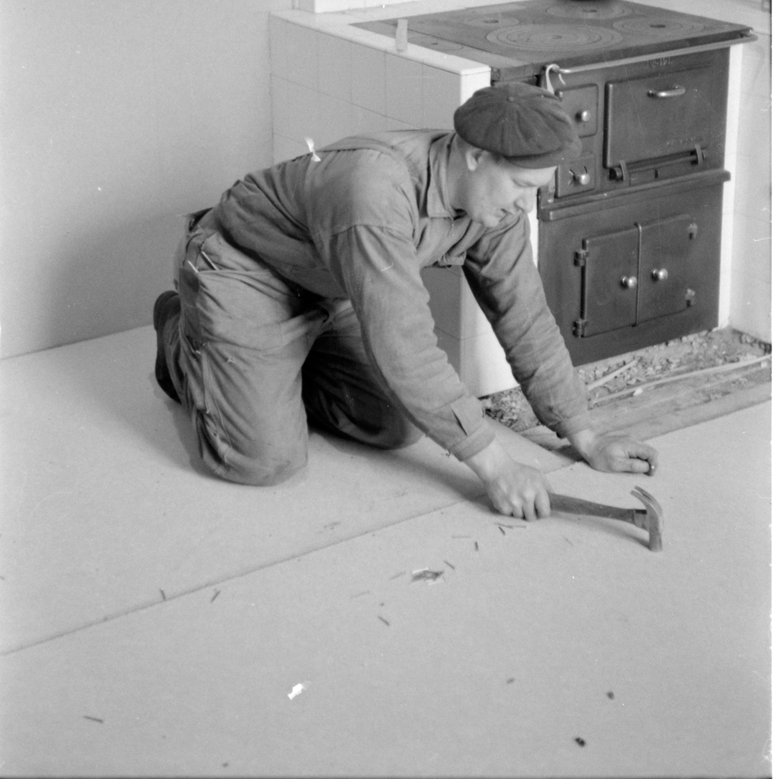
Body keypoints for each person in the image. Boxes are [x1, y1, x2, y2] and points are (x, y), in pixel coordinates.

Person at [153, 81, 657, 520]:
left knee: (394, 426)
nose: (528, 205)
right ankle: (181, 335)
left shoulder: (496, 207)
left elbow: (524, 315)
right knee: (263, 462)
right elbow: (404, 345)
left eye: (538, 190)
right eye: (523, 186)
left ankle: (271, 370)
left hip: (330, 285)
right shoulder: (374, 189)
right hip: (246, 270)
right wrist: (497, 467)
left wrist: (585, 436)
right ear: (475, 156)